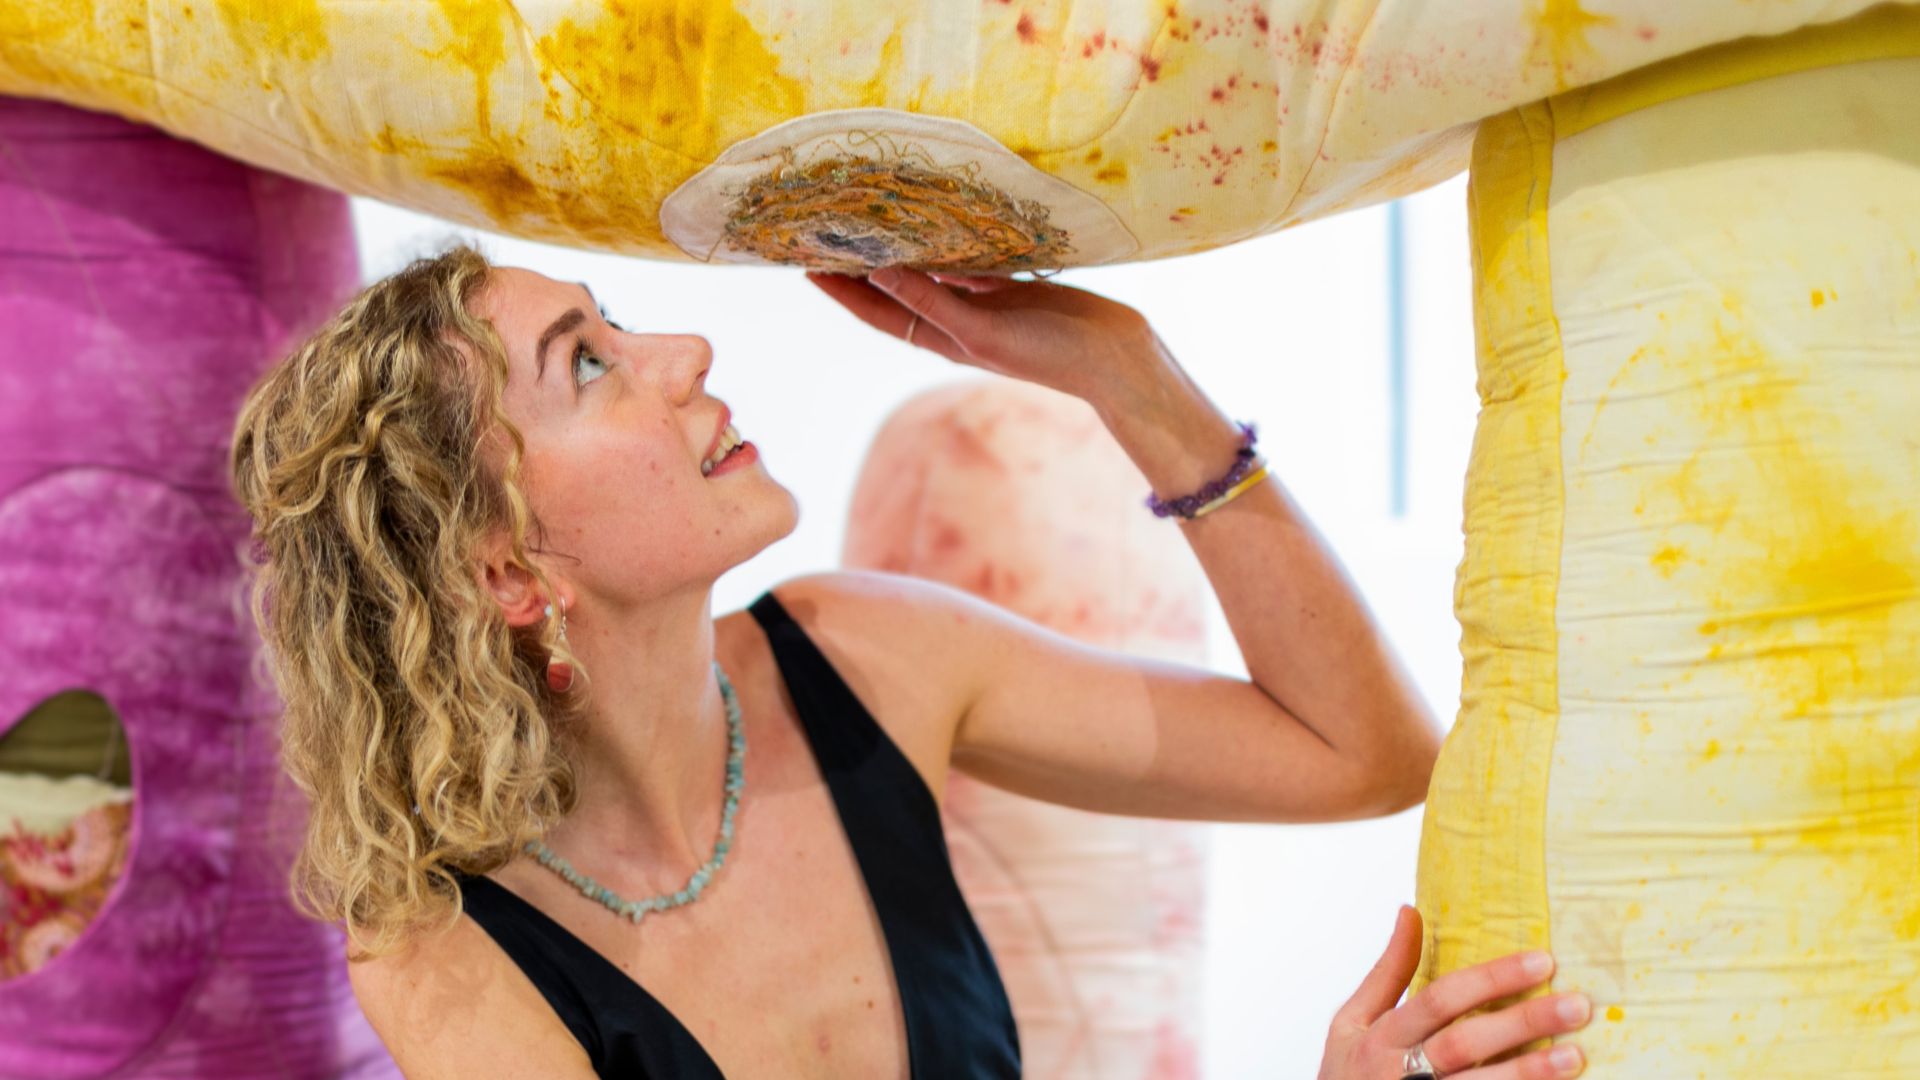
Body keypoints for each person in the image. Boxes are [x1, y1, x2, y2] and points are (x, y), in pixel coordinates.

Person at [230, 245, 1591, 1079]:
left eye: (619, 323)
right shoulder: (442, 952)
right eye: (587, 364)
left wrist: (1130, 378)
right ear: (507, 570)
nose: (685, 352)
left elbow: (1366, 753)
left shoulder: (861, 656)